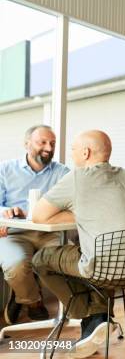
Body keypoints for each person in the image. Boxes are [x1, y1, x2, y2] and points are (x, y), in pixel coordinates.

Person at [31, 130, 125, 358]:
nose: (71, 154)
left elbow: (38, 215)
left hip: (108, 268)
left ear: (86, 152)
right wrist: (87, 213)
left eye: (73, 149)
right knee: (100, 253)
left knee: (41, 259)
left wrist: (80, 213)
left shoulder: (78, 178)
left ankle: (90, 315)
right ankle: (99, 319)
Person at [0, 125, 69, 325]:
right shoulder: (5, 169)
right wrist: (5, 213)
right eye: (43, 142)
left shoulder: (62, 172)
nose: (49, 147)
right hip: (14, 232)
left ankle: (78, 311)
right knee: (16, 266)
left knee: (69, 260)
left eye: (53, 143)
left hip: (50, 233)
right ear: (27, 143)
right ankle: (32, 301)